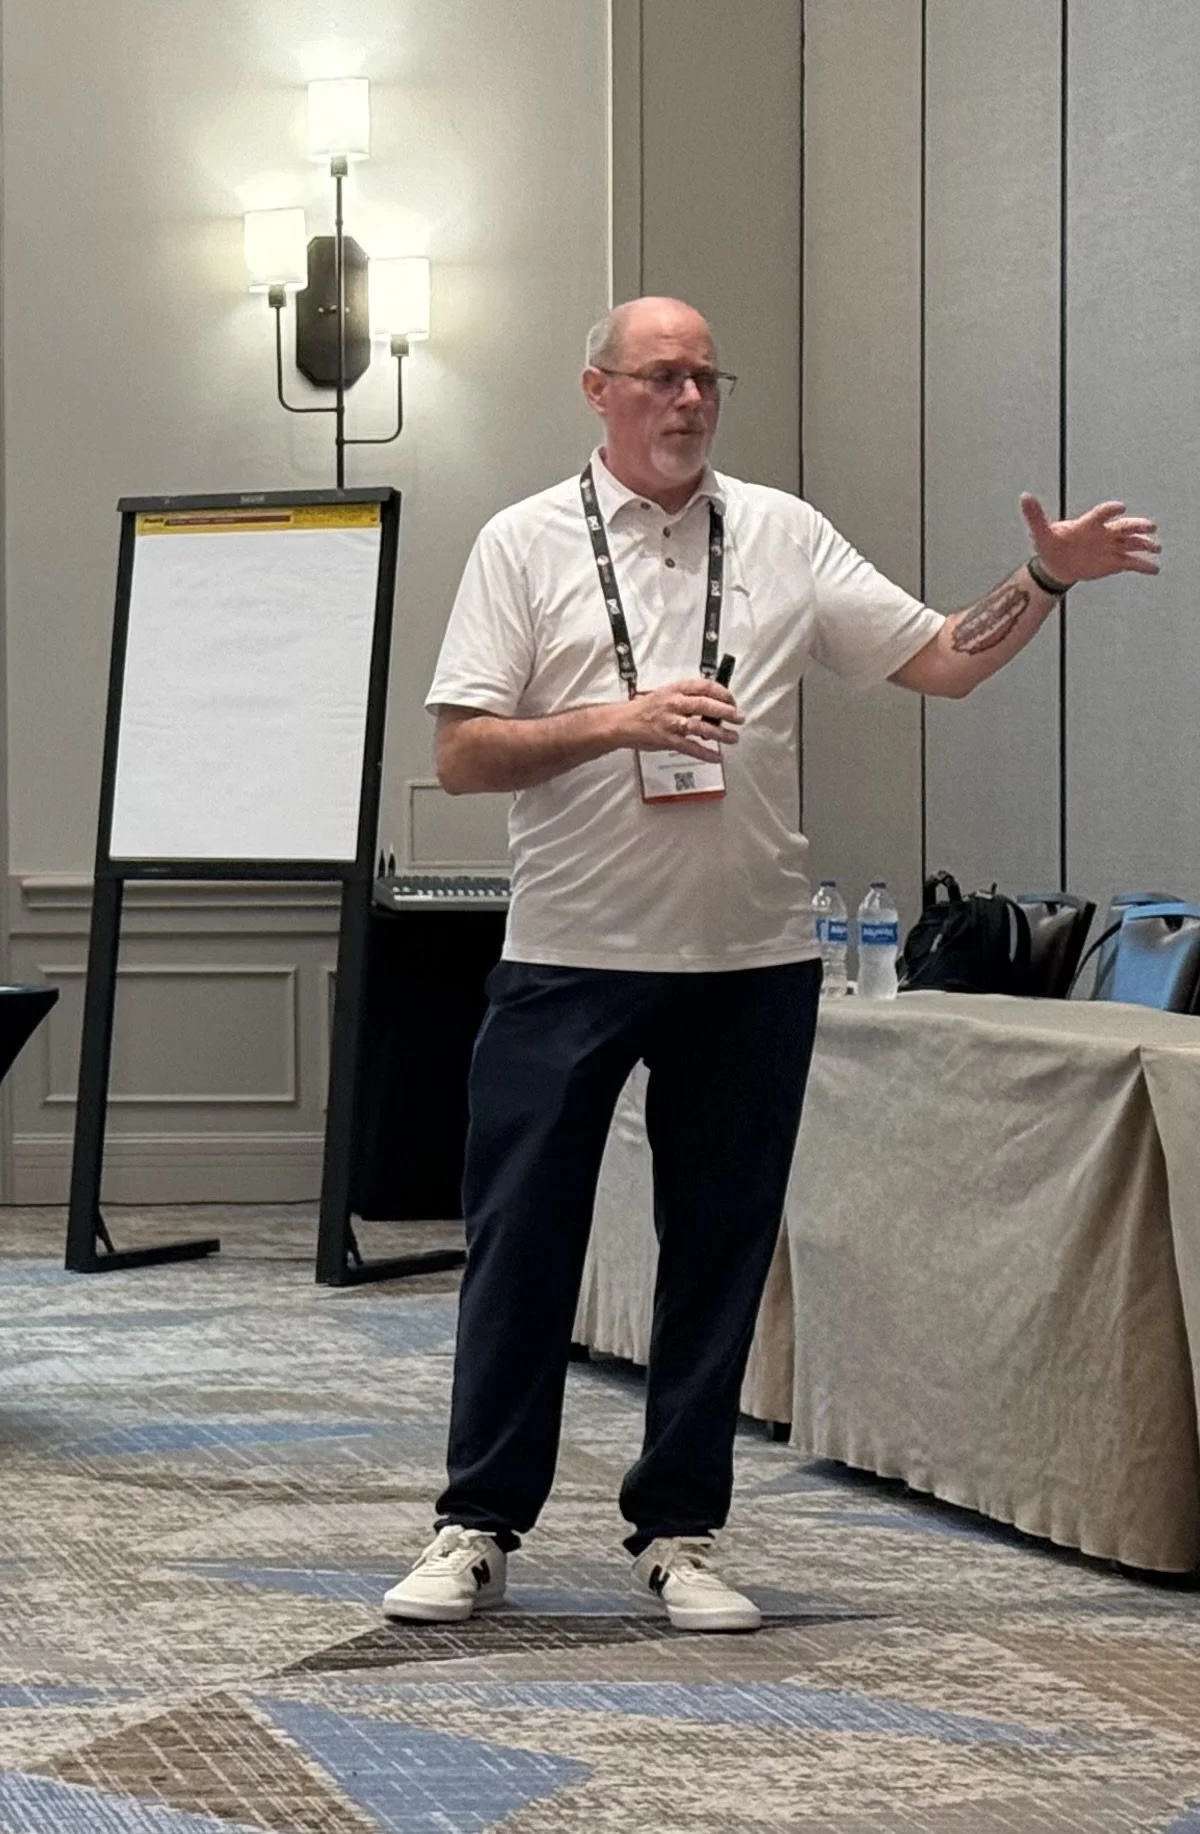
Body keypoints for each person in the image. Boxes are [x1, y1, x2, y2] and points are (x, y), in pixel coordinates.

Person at [382, 295, 1160, 1633]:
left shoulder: (783, 532)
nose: (689, 400)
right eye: (661, 378)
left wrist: (1042, 582)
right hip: (569, 954)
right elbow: (463, 752)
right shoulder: (525, 542)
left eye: (706, 377)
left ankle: (680, 1529)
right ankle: (476, 1523)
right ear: (598, 389)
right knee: (523, 1245)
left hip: (750, 961)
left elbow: (941, 662)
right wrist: (618, 719)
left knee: (721, 1250)